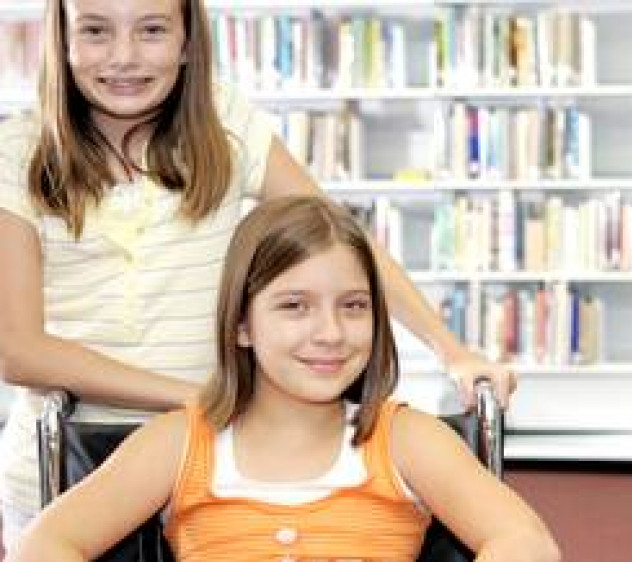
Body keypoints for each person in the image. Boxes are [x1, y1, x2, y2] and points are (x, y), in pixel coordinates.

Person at [0, 0, 516, 547]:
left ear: (188, 42)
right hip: (71, 458)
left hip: (223, 452)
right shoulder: (18, 153)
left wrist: (449, 347)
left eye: (152, 30)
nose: (124, 57)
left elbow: (339, 241)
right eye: (96, 32)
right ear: (60, 39)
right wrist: (201, 397)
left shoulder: (224, 124)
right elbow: (19, 350)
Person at [7, 195, 560, 561]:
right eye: (294, 306)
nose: (330, 333)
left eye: (353, 306)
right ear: (243, 325)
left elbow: (524, 540)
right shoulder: (179, 442)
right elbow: (48, 543)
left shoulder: (405, 439)